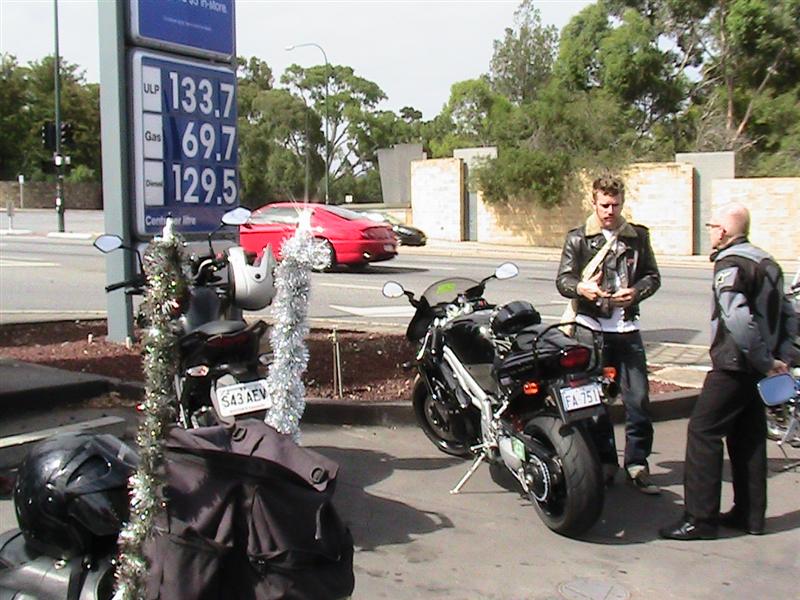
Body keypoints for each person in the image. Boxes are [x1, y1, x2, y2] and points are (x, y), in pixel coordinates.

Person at [660, 203, 798, 540]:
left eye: (711, 226)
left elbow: (736, 317)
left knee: (703, 432)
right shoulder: (767, 261)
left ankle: (700, 519)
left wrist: (764, 360)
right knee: (748, 437)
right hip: (759, 368)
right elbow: (789, 313)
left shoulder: (730, 263)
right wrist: (782, 357)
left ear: (723, 231)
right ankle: (750, 516)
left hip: (735, 365)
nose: (709, 231)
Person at [556, 175, 661, 494]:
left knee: (638, 399)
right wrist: (582, 288)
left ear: (622, 203)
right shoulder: (578, 239)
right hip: (591, 330)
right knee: (595, 401)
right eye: (604, 205)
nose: (609, 211)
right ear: (594, 203)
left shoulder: (637, 237)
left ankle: (637, 463)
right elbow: (563, 280)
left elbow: (652, 277)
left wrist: (636, 293)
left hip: (627, 329)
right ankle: (605, 463)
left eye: (615, 205)